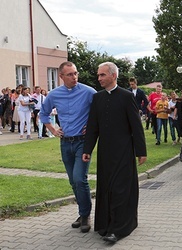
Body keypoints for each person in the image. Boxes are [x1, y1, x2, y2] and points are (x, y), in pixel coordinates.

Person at [82, 62, 147, 243]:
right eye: (99, 75)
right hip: (105, 152)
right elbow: (93, 126)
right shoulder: (98, 98)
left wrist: (141, 151)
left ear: (113, 75)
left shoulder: (126, 97)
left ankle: (119, 229)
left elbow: (136, 125)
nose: (99, 78)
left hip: (124, 151)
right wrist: (88, 149)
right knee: (106, 188)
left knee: (120, 190)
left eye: (102, 75)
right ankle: (105, 224)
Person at [40, 61, 96, 233]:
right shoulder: (54, 95)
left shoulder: (88, 92)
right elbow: (43, 113)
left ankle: (86, 215)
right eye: (70, 74)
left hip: (82, 142)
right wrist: (53, 130)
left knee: (80, 178)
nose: (74, 77)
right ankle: (82, 212)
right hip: (65, 143)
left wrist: (94, 126)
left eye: (76, 73)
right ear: (61, 76)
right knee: (73, 181)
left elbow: (102, 110)